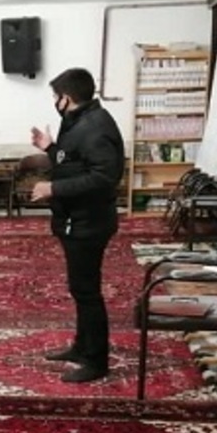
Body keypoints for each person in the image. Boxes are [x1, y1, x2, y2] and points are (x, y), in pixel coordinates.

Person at [29, 67, 125, 383]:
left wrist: (53, 188)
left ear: (66, 98)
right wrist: (50, 147)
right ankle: (82, 348)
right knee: (80, 289)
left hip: (89, 222)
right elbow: (72, 162)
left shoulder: (95, 127)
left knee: (87, 292)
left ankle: (96, 361)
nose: (55, 101)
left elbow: (103, 177)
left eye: (56, 96)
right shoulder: (78, 122)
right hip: (76, 219)